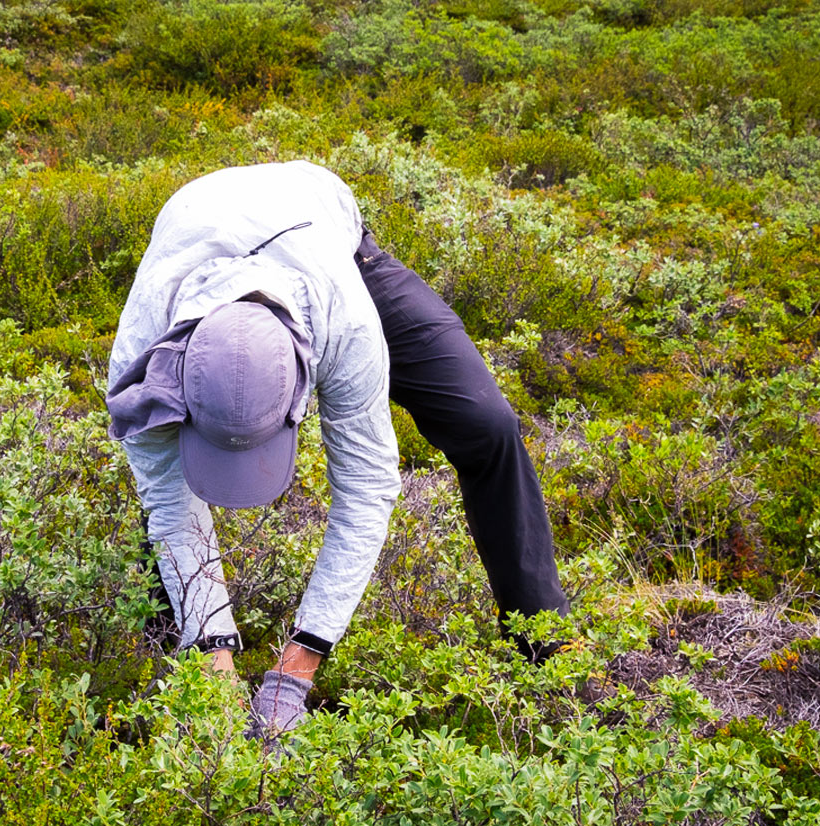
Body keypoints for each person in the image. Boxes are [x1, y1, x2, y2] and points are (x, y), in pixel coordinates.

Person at [106, 161, 569, 738]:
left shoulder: (345, 325)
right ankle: (186, 646)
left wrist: (297, 668)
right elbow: (170, 501)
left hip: (326, 239)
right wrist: (216, 657)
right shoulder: (142, 355)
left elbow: (367, 488)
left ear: (305, 388)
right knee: (160, 505)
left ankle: (545, 642)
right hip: (200, 227)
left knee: (487, 422)